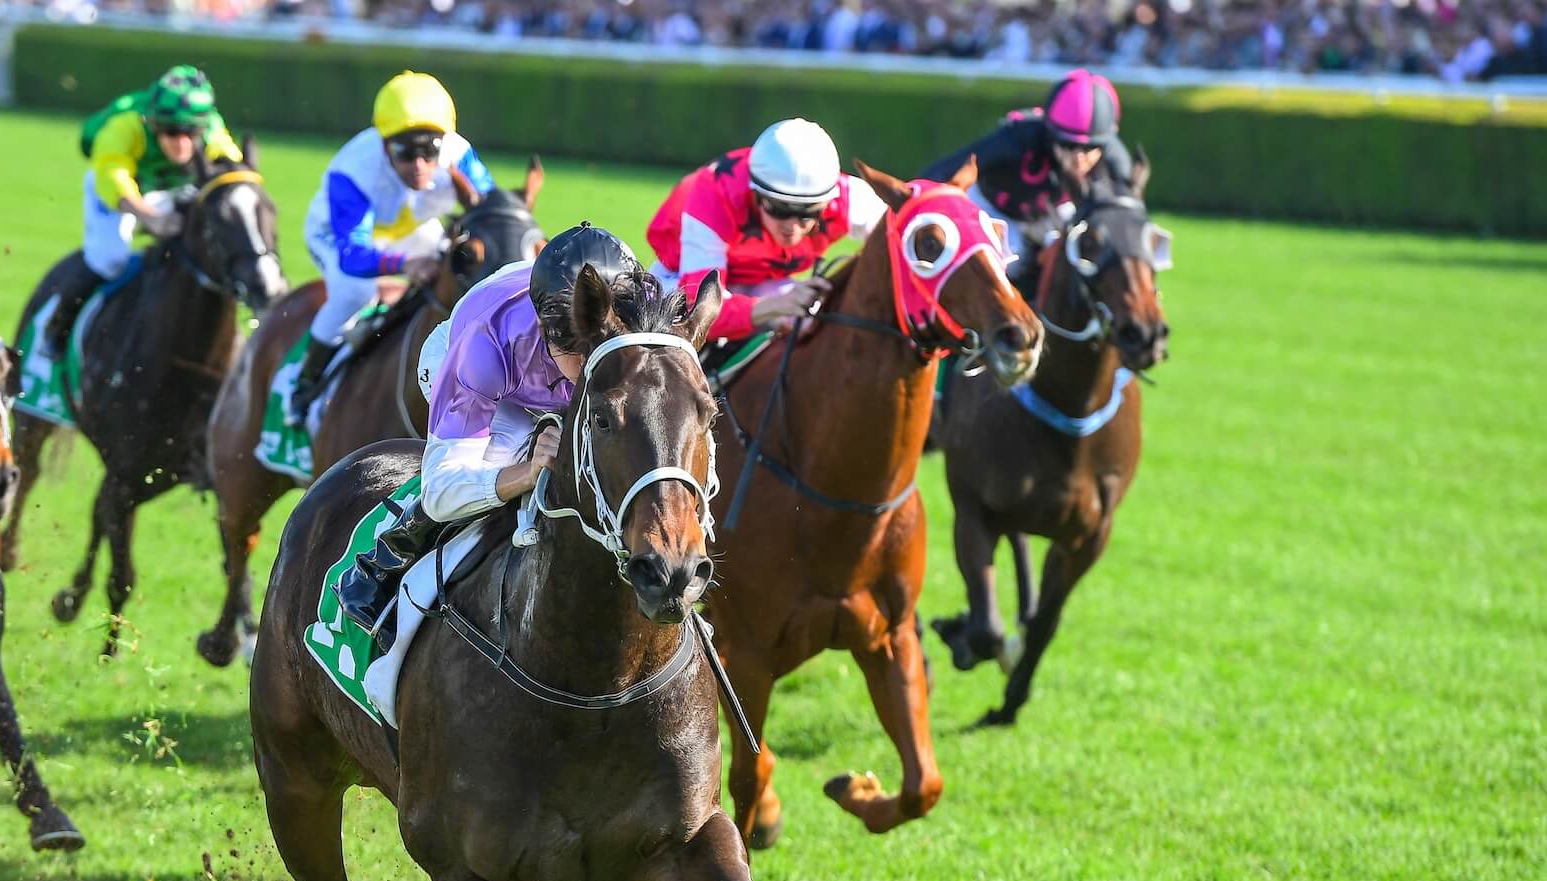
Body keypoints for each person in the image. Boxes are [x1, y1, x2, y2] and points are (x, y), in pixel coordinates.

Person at [335, 223, 644, 639]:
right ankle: (382, 563)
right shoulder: (484, 351)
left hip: (536, 373)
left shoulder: (637, 309)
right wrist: (527, 472)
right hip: (482, 375)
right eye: (576, 351)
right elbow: (443, 490)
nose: (588, 365)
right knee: (513, 455)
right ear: (547, 331)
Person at [290, 71, 497, 425]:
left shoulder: (460, 156)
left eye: (429, 150)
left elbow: (493, 211)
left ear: (443, 143)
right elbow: (353, 256)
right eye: (405, 151)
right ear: (384, 144)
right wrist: (405, 264)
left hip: (414, 230)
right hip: (340, 238)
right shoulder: (354, 170)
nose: (418, 165)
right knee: (355, 292)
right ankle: (306, 382)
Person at [40, 65, 246, 363]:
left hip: (173, 188)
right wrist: (149, 217)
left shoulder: (212, 129)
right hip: (118, 190)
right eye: (172, 131)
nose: (183, 142)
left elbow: (229, 171)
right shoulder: (126, 125)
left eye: (192, 132)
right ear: (153, 123)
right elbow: (113, 177)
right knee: (108, 258)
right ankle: (57, 327)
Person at [645, 118, 887, 348]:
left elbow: (908, 229)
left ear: (826, 202)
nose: (792, 226)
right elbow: (697, 311)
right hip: (679, 280)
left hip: (766, 282)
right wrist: (775, 306)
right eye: (779, 209)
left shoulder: (850, 198)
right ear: (756, 194)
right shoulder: (716, 195)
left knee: (811, 323)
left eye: (807, 212)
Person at [919, 68, 1133, 288]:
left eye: (1090, 147)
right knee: (1007, 260)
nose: (1079, 158)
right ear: (1050, 132)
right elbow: (947, 169)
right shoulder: (1017, 139)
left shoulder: (1117, 161)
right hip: (997, 209)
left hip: (1052, 211)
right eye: (1068, 145)